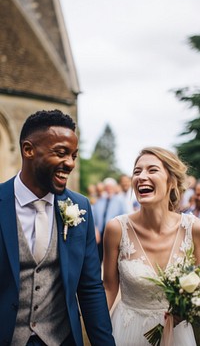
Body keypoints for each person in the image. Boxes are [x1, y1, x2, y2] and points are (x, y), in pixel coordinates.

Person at [0, 109, 115, 346]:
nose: (70, 163)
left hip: (60, 339)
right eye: (61, 153)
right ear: (28, 150)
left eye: (74, 155)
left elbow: (90, 286)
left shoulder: (79, 206)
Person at [103, 147, 200, 346]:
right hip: (127, 331)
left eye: (152, 170)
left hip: (177, 335)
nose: (141, 177)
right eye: (137, 172)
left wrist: (187, 310)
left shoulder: (194, 229)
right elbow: (109, 287)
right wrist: (98, 332)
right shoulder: (116, 229)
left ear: (171, 181)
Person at [93, 177, 126, 263]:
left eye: (111, 187)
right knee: (97, 257)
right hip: (100, 233)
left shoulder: (120, 201)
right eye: (107, 187)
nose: (109, 189)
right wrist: (95, 229)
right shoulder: (99, 200)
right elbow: (93, 216)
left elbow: (125, 216)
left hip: (114, 233)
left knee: (111, 258)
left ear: (115, 188)